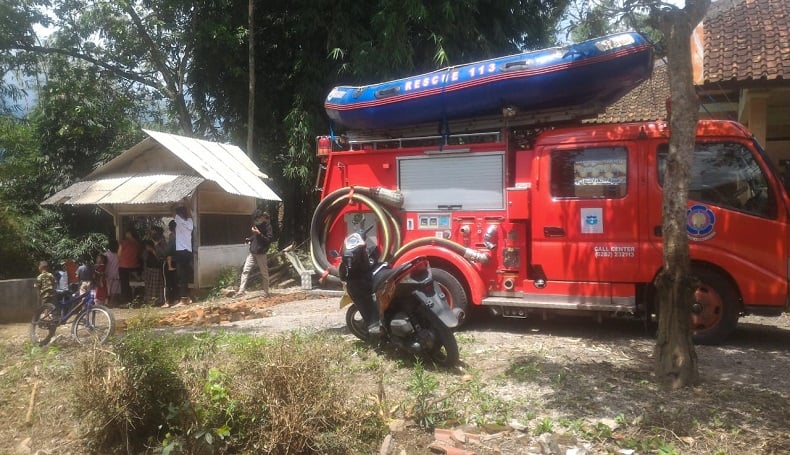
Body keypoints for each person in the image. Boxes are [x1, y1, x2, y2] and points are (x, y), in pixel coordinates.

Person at [236, 210, 273, 298]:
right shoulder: (256, 225)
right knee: (245, 270)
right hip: (252, 252)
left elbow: (269, 240)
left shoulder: (268, 227)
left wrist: (259, 233)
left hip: (261, 253)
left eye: (257, 219)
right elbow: (255, 237)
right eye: (255, 220)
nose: (256, 221)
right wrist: (250, 238)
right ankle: (241, 291)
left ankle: (266, 292)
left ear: (262, 218)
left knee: (264, 273)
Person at [173, 205, 194, 307]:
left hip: (181, 252)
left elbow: (172, 211)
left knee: (181, 276)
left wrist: (175, 203)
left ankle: (183, 299)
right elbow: (189, 214)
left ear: (179, 214)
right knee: (185, 275)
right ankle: (187, 297)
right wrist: (187, 203)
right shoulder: (190, 222)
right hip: (188, 252)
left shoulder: (179, 220)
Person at [117, 230, 141, 305]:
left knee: (124, 285)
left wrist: (121, 260)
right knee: (131, 283)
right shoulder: (137, 243)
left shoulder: (123, 242)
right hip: (134, 267)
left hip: (123, 266)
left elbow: (119, 254)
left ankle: (125, 301)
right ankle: (133, 299)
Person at [141, 239, 164, 306]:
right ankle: (149, 301)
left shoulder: (158, 250)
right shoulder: (146, 252)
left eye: (148, 246)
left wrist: (153, 251)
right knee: (149, 286)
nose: (147, 248)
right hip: (149, 270)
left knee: (156, 286)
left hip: (156, 270)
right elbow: (144, 259)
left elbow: (160, 259)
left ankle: (158, 301)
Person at [162, 220, 178, 307]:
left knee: (167, 283)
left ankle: (167, 301)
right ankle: (175, 299)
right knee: (175, 282)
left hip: (171, 261)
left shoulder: (172, 237)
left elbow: (167, 252)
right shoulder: (180, 237)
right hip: (177, 261)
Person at [104, 240, 121, 307]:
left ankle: (107, 302)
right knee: (114, 290)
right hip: (116, 275)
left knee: (107, 290)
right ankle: (111, 303)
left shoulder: (106, 254)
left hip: (107, 275)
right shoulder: (119, 255)